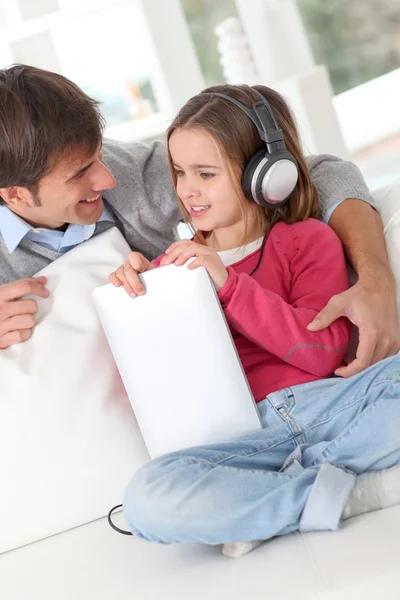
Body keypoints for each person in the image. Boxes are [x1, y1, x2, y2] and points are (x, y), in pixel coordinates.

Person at [109, 84, 400, 558]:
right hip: (246, 438)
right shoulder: (172, 269)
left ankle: (267, 503)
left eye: (205, 173)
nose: (187, 190)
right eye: (180, 172)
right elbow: (155, 390)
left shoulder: (307, 239)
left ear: (266, 175)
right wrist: (140, 303)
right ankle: (345, 492)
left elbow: (320, 354)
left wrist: (230, 286)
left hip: (324, 405)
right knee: (145, 499)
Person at [0, 64, 398, 370]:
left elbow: (315, 173)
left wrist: (377, 279)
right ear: (14, 195)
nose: (106, 178)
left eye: (98, 155)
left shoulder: (130, 175)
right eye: (80, 174)